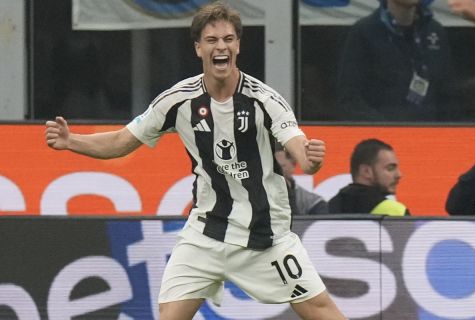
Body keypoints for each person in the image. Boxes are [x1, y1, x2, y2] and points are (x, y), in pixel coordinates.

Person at [45, 2, 346, 319]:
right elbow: (122, 141)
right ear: (198, 48)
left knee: (321, 311)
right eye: (213, 40)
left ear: (238, 46)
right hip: (205, 236)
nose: (222, 46)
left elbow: (297, 147)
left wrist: (311, 161)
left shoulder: (265, 100)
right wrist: (71, 141)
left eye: (229, 39)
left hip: (264, 238)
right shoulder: (178, 101)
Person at [337, 0, 453, 121]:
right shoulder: (364, 31)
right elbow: (350, 97)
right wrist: (384, 129)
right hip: (382, 132)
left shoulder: (434, 32)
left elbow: (447, 94)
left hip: (431, 133)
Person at [329, 139, 409, 216]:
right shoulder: (396, 212)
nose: (399, 175)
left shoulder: (327, 208)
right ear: (366, 171)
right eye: (390, 168)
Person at [274, 144, 329, 215]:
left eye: (281, 166)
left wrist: (290, 194)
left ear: (293, 165)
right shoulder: (258, 196)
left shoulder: (313, 203)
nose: (275, 171)